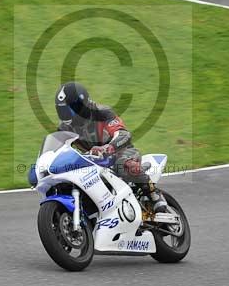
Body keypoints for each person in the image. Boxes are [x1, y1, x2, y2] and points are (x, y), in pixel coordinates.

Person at [54, 82, 168, 213]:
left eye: (69, 110)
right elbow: (58, 152)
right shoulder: (64, 128)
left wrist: (108, 147)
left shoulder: (102, 113)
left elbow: (123, 134)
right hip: (93, 162)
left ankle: (154, 194)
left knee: (122, 164)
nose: (67, 115)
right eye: (63, 111)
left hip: (121, 152)